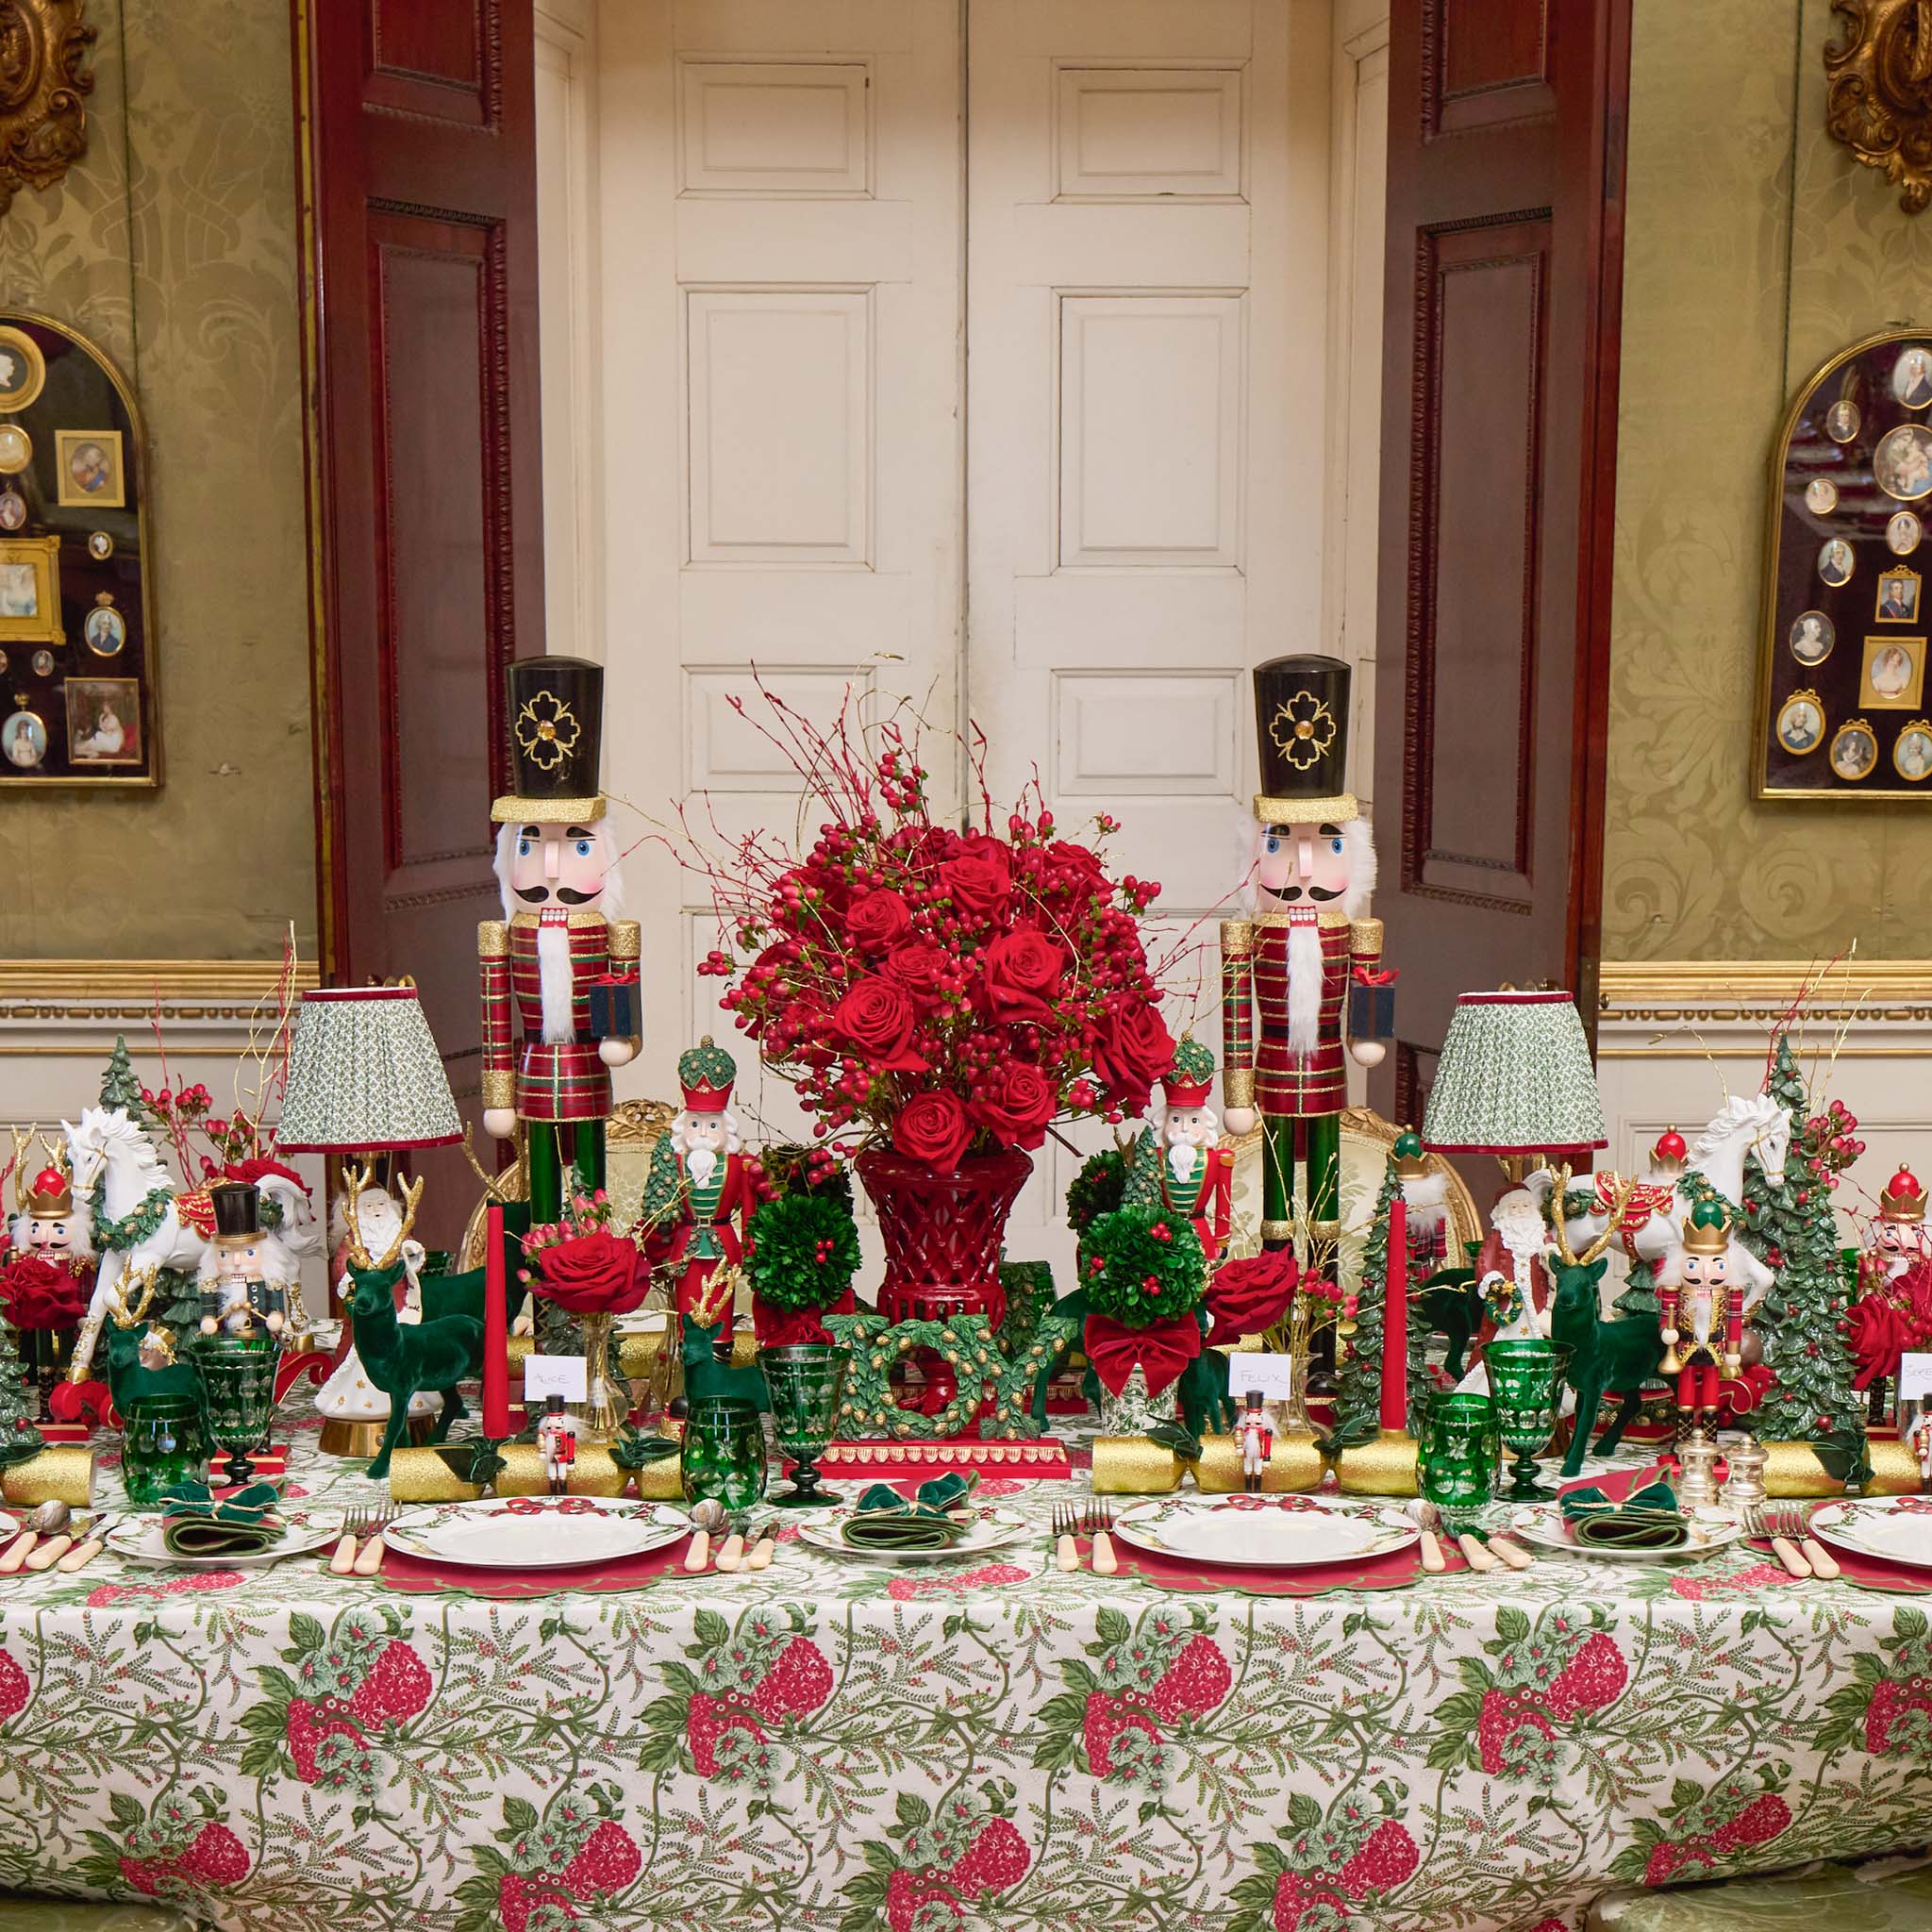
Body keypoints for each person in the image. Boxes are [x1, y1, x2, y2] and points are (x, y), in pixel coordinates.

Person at [1220, 656, 1391, 1257]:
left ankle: (1318, 1286)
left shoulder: (1353, 928)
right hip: (1269, 1070)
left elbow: (1370, 987)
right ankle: (1272, 1272)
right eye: (1281, 846)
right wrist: (1238, 1093)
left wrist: (1368, 1034)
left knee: (1324, 1184)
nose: (1307, 869)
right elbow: (1238, 1015)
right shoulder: (1248, 935)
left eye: (1327, 844)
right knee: (1273, 1198)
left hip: (1326, 1069)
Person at [479, 657, 641, 1226]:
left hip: (586, 1067)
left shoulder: (608, 931)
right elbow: (497, 1016)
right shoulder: (504, 935)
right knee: (541, 1177)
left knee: (591, 1175)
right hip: (532, 1065)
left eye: (573, 843)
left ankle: (594, 1248)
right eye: (530, 844)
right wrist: (499, 1095)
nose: (550, 865)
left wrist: (622, 1036)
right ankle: (545, 1250)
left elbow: (621, 995)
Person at [641, 1040, 758, 1349]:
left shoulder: (740, 1164)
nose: (703, 1132)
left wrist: (751, 1249)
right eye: (695, 1124)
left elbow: (750, 1210)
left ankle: (719, 1368)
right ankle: (690, 1373)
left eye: (711, 1125)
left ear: (725, 1126)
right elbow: (662, 1208)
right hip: (686, 1250)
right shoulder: (673, 1161)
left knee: (721, 1320)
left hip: (724, 1247)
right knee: (689, 1320)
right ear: (684, 1125)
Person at [1122, 1038, 1234, 1261]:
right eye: (1176, 1118)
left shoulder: (1217, 1160)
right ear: (1164, 1120)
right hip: (1165, 1236)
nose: (1183, 1128)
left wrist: (1221, 1240)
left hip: (1202, 1235)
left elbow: (1224, 1200)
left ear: (1205, 1122)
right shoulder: (1155, 1157)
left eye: (1193, 1121)